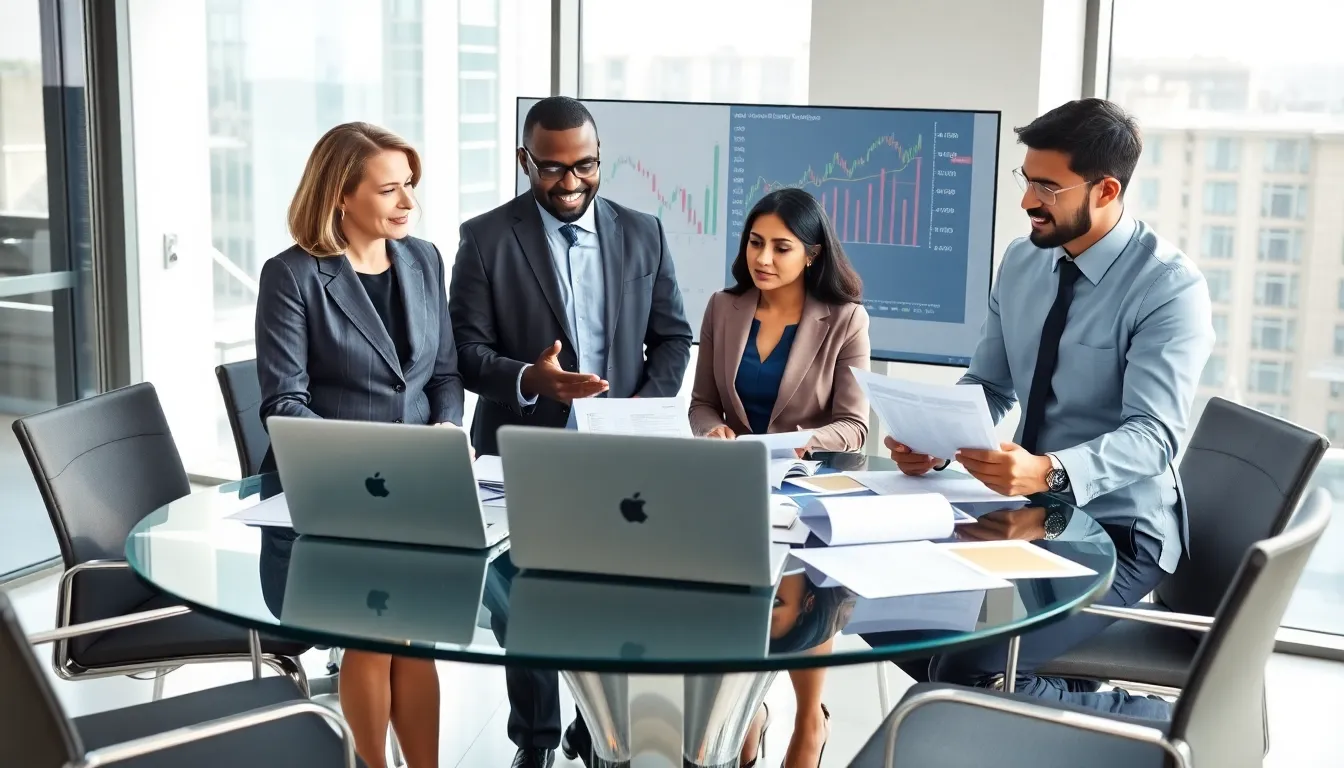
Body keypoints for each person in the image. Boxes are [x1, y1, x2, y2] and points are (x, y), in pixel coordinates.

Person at [884, 98, 1215, 718]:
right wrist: (935, 433)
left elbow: (1155, 436)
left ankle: (1162, 727)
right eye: (1026, 179)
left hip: (1118, 532)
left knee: (967, 668)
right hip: (1028, 516)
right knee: (893, 616)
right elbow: (990, 381)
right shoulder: (1021, 261)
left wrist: (1049, 472)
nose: (1027, 200)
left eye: (1047, 187)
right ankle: (1037, 701)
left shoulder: (1169, 286)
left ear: (1107, 189)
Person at [448, 96, 693, 768]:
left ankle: (596, 723)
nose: (570, 182)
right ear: (526, 162)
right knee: (522, 604)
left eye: (584, 166)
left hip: (619, 451)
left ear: (598, 159)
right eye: (552, 169)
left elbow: (672, 337)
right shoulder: (486, 238)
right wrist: (534, 378)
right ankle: (535, 740)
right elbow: (465, 354)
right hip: (523, 448)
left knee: (611, 597)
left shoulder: (645, 232)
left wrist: (636, 413)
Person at [255, 121, 463, 768]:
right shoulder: (293, 276)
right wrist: (367, 460)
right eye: (390, 190)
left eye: (410, 188)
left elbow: (445, 373)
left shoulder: (424, 258)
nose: (407, 203)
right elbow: (284, 401)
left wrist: (446, 428)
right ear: (340, 195)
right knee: (374, 633)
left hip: (418, 485)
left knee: (417, 639)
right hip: (332, 490)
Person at [689, 187, 869, 767]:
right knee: (739, 606)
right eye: (756, 243)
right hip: (737, 487)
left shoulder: (844, 318)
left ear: (812, 254)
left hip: (808, 489)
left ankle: (809, 719)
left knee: (799, 602)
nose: (763, 258)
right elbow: (702, 403)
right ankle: (749, 709)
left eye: (781, 247)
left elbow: (854, 426)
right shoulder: (724, 306)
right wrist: (713, 429)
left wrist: (800, 442)